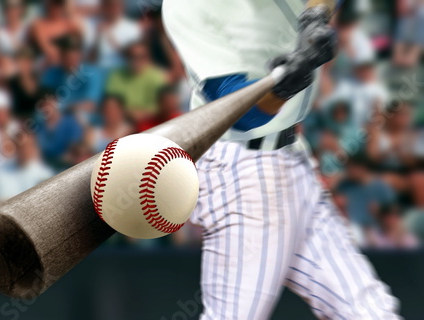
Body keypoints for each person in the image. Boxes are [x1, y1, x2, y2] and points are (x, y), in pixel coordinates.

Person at [163, 0, 400, 319]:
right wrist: (288, 82)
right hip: (244, 171)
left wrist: (316, 17)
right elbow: (239, 112)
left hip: (292, 158)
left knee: (370, 310)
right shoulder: (188, 7)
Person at [106, 41, 167, 122]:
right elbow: (111, 103)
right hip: (122, 120)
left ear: (147, 58)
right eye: (132, 56)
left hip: (150, 121)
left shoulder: (156, 76)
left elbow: (160, 106)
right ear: (126, 58)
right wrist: (131, 113)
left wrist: (139, 114)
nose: (136, 60)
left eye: (140, 57)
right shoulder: (116, 75)